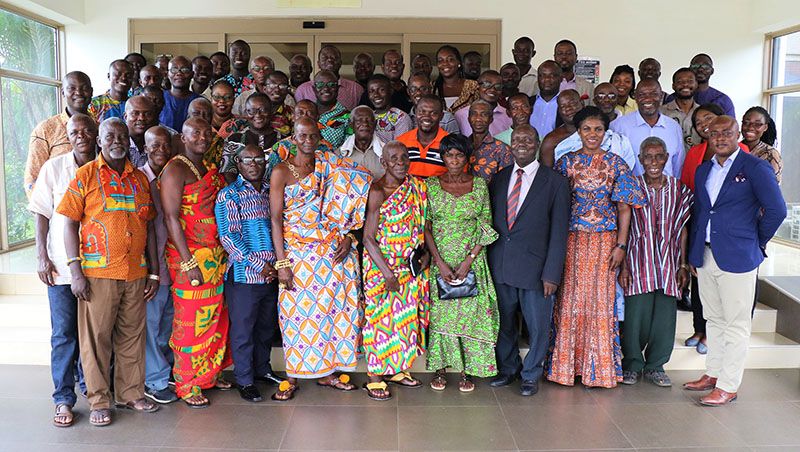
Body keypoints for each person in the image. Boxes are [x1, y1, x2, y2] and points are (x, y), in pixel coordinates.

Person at [57, 117, 160, 426]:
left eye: (121, 136)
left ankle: (130, 392)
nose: (117, 141)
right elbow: (69, 223)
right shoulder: (85, 176)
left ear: (129, 140)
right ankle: (99, 400)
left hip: (135, 272)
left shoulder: (140, 179)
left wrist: (154, 273)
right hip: (96, 274)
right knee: (96, 340)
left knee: (131, 336)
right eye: (110, 136)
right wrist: (75, 271)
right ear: (99, 142)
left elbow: (150, 226)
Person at [683, 116, 785, 406]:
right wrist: (693, 253)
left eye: (726, 133)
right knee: (713, 318)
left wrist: (757, 241)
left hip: (739, 255)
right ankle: (713, 374)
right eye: (714, 134)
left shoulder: (755, 167)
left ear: (737, 133)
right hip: (705, 254)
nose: (720, 138)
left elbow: (776, 210)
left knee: (736, 323)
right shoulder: (704, 170)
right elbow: (702, 213)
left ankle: (728, 385)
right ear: (708, 137)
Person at [268, 118, 371, 401]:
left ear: (320, 136)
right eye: (303, 136)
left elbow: (352, 206)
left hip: (336, 255)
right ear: (294, 138)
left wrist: (350, 238)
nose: (309, 141)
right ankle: (292, 376)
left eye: (313, 135)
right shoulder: (281, 171)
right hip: (300, 257)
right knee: (298, 316)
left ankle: (328, 373)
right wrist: (282, 263)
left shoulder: (333, 166)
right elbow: (275, 221)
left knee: (336, 315)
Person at [547, 107, 646, 388]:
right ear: (578, 131)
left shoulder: (616, 164)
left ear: (606, 132)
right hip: (572, 241)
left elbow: (625, 208)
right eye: (587, 129)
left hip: (605, 242)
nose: (593, 134)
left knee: (601, 303)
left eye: (598, 129)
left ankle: (598, 371)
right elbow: (556, 204)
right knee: (570, 301)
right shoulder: (566, 162)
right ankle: (565, 369)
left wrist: (621, 246)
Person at [488, 124, 570, 396]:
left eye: (527, 139)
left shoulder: (555, 181)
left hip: (537, 271)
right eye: (516, 139)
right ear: (510, 144)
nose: (521, 143)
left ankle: (531, 374)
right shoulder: (499, 179)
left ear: (537, 143)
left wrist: (552, 275)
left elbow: (559, 232)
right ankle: (508, 369)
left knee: (537, 326)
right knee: (504, 324)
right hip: (501, 265)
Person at [159, 117, 233, 408]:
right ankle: (187, 383)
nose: (202, 138)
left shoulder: (207, 168)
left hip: (214, 257)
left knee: (215, 318)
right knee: (190, 322)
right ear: (184, 138)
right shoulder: (176, 169)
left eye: (206, 133)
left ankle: (209, 375)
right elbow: (171, 218)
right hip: (188, 258)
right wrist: (189, 262)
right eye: (195, 133)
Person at [28, 114, 96, 427]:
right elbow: (41, 214)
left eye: (86, 131)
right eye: (74, 132)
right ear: (68, 136)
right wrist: (42, 256)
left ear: (96, 132)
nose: (80, 136)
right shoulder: (54, 168)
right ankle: (64, 398)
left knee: (94, 335)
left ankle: (92, 388)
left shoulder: (106, 167)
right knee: (64, 333)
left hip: (100, 267)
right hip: (61, 267)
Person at [424, 134, 499, 392]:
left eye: (459, 155)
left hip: (472, 260)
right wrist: (439, 262)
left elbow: (486, 224)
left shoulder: (479, 186)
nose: (454, 160)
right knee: (442, 315)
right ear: (443, 158)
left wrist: (469, 260)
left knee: (470, 316)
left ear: (467, 159)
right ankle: (441, 368)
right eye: (449, 155)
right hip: (441, 260)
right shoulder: (431, 185)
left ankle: (467, 370)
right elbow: (426, 227)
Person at [618, 137, 693, 387]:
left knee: (664, 319)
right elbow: (622, 228)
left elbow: (683, 228)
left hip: (668, 264)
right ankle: (631, 364)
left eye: (659, 156)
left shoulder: (679, 188)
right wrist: (624, 265)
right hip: (638, 263)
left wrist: (682, 265)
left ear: (666, 158)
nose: (653, 162)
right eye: (648, 157)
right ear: (640, 160)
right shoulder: (631, 186)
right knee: (634, 318)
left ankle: (656, 366)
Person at [361, 141, 430, 400]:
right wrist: (388, 274)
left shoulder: (416, 187)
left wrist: (425, 257)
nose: (400, 162)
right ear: (384, 163)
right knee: (378, 322)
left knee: (402, 322)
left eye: (404, 157)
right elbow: (368, 238)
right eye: (394, 158)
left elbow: (422, 226)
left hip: (409, 268)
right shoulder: (378, 190)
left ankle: (397, 370)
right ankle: (374, 377)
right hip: (383, 269)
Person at [216, 144, 283, 403]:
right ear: (238, 163)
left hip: (273, 274)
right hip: (245, 275)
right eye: (247, 159)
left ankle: (262, 369)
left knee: (266, 325)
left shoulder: (272, 191)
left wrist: (277, 266)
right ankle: (244, 379)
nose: (254, 163)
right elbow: (229, 238)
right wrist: (260, 265)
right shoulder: (229, 195)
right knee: (243, 329)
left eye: (258, 158)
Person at [678, 103, 727, 354]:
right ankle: (699, 328)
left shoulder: (739, 151)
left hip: (725, 229)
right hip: (698, 223)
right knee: (699, 279)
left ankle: (712, 333)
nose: (704, 125)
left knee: (719, 282)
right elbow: (687, 186)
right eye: (698, 123)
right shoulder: (695, 152)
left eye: (708, 118)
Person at [137, 126, 178, 405]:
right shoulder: (139, 179)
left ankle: (165, 371)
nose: (161, 150)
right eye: (155, 146)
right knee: (151, 326)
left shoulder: (174, 175)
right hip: (153, 268)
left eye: (166, 146)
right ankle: (155, 380)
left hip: (175, 266)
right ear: (146, 148)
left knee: (168, 324)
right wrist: (150, 270)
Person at [25, 71, 93, 198]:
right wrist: (51, 214)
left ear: (91, 92)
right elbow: (32, 180)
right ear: (63, 93)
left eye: (84, 88)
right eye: (72, 88)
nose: (78, 92)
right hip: (58, 211)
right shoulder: (45, 129)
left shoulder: (101, 128)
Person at [610, 80, 685, 177]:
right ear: (635, 97)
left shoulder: (673, 127)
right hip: (631, 190)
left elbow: (678, 166)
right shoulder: (618, 126)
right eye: (642, 95)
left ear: (661, 96)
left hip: (666, 190)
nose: (648, 99)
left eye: (653, 94)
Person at [220, 93, 279, 181]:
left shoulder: (283, 141)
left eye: (263, 110)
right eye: (252, 111)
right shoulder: (235, 139)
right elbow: (228, 172)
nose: (258, 115)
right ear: (246, 113)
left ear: (271, 111)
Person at [295, 45, 364, 110]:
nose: (329, 60)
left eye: (334, 58)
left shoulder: (356, 89)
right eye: (325, 58)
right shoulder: (302, 90)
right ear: (318, 63)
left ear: (340, 63)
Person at [397, 95, 450, 178]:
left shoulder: (451, 144)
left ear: (441, 116)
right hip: (408, 190)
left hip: (439, 190)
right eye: (422, 112)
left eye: (433, 113)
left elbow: (458, 179)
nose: (426, 117)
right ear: (415, 112)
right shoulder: (401, 142)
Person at [666, 54, 735, 117]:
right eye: (695, 66)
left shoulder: (723, 100)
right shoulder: (672, 99)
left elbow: (731, 128)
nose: (700, 69)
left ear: (712, 71)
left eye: (706, 66)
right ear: (690, 69)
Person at [455, 70, 512, 136]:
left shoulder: (508, 116)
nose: (492, 89)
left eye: (498, 86)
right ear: (477, 86)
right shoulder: (461, 115)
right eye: (487, 84)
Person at [467, 100, 512, 182]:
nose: (478, 119)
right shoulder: (462, 145)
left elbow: (505, 182)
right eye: (474, 114)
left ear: (491, 120)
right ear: (468, 119)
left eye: (483, 115)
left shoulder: (502, 149)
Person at [539, 89, 584, 167]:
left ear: (582, 103)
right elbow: (546, 174)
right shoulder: (551, 140)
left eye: (572, 103)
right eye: (563, 106)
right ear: (559, 111)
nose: (568, 108)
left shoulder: (596, 133)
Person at [337, 106, 386, 177]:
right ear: (351, 124)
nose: (365, 124)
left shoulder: (386, 153)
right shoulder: (340, 154)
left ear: (375, 124)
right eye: (359, 120)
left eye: (369, 120)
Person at [660, 68, 701, 151]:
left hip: (697, 162)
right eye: (680, 82)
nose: (685, 84)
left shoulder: (702, 113)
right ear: (673, 86)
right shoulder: (661, 112)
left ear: (696, 84)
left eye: (690, 81)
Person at [741, 106, 782, 184]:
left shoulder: (771, 154)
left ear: (765, 127)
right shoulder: (733, 149)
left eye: (757, 124)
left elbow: (773, 187)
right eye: (746, 123)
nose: (750, 127)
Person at [160, 56, 202, 132]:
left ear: (192, 74)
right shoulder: (159, 98)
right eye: (174, 70)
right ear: (167, 74)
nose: (179, 73)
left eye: (184, 70)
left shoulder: (200, 101)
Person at [366, 74, 413, 143]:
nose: (376, 94)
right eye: (371, 91)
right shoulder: (367, 117)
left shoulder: (401, 118)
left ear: (391, 91)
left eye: (381, 90)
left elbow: (399, 148)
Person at [434, 45, 479, 113]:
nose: (445, 63)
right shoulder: (431, 88)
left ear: (458, 62)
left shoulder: (473, 86)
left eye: (450, 59)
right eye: (440, 60)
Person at [313, 70, 351, 149]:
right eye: (320, 85)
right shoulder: (305, 112)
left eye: (331, 85)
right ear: (314, 89)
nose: (326, 88)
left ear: (337, 88)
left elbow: (348, 147)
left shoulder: (347, 115)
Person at [529, 60, 562, 138]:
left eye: (552, 75)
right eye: (542, 75)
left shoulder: (566, 105)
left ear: (561, 78)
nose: (547, 79)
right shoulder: (528, 102)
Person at [124, 96, 156, 167]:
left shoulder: (159, 144)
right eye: (135, 113)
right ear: (125, 117)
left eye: (147, 114)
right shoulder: (117, 143)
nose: (141, 118)